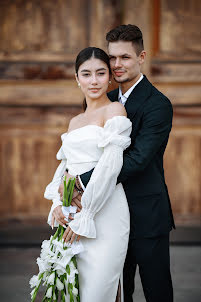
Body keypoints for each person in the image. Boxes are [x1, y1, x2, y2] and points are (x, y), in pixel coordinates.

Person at [63, 24, 175, 302]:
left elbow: (137, 160)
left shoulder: (158, 104)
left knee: (156, 291)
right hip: (107, 212)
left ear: (141, 57)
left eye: (124, 57)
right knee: (116, 290)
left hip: (146, 213)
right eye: (111, 58)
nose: (116, 65)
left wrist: (81, 183)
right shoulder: (106, 98)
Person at [44, 46, 132, 302]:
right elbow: (66, 170)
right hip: (75, 212)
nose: (94, 81)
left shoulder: (114, 111)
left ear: (110, 77)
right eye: (86, 74)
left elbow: (110, 167)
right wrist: (58, 204)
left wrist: (89, 214)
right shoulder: (75, 121)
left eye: (101, 73)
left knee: (99, 290)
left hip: (104, 211)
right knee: (79, 291)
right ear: (77, 78)